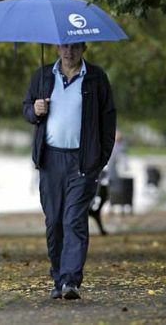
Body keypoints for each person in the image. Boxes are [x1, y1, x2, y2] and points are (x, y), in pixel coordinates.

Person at [22, 42, 116, 300]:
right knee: (54, 221)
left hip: (82, 161)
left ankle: (71, 281)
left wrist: (100, 159)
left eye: (74, 47)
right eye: (64, 46)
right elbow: (26, 108)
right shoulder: (42, 76)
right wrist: (35, 110)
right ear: (56, 48)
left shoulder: (96, 78)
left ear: (83, 48)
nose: (69, 52)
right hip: (50, 161)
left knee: (73, 219)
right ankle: (58, 277)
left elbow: (109, 120)